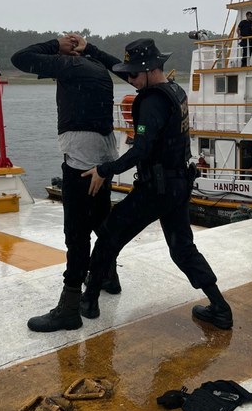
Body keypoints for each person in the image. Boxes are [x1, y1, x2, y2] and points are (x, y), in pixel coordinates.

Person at [77, 37, 233, 330]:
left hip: (156, 189)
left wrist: (105, 169)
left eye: (134, 74)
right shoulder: (175, 90)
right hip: (179, 185)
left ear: (150, 70)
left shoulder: (151, 102)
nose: (130, 79)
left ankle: (89, 299)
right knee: (183, 249)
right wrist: (90, 50)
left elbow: (141, 150)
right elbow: (124, 71)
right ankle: (220, 307)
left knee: (109, 235)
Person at [10, 35, 123, 332]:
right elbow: (123, 67)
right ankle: (108, 276)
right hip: (103, 154)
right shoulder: (98, 66)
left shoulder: (69, 66)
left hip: (80, 160)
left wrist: (55, 44)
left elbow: (20, 57)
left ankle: (69, 308)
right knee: (100, 218)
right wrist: (89, 49)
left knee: (76, 232)